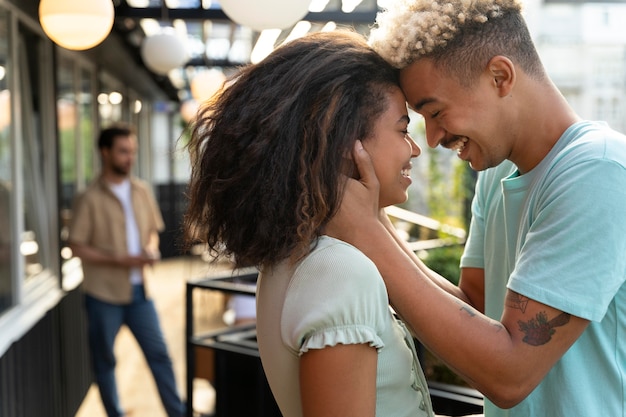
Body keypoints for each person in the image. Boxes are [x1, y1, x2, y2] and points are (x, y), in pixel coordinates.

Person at [328, 0, 626, 416]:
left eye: (435, 111)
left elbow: (509, 374)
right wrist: (375, 219)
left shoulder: (598, 171)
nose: (431, 138)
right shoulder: (495, 170)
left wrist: (366, 235)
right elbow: (474, 313)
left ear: (500, 76)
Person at [183, 30, 437, 417]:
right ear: (346, 143)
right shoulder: (341, 271)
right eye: (403, 129)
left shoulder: (299, 255)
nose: (415, 148)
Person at [68, 124, 185, 417]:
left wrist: (151, 248)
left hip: (139, 292)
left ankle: (178, 413)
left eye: (131, 151)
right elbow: (76, 246)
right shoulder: (88, 198)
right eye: (123, 151)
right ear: (105, 152)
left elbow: (152, 232)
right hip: (103, 294)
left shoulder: (141, 190)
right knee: (105, 361)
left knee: (159, 356)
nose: (129, 157)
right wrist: (118, 259)